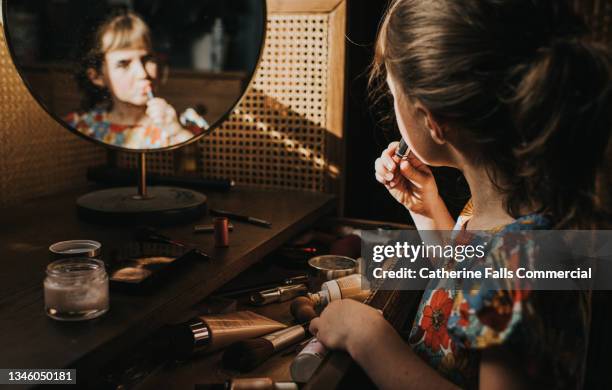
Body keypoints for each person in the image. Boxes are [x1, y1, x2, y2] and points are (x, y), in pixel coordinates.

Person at [309, 1, 611, 389]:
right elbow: (469, 283)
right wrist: (428, 212)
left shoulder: (527, 258)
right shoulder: (510, 207)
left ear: (434, 121)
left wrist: (368, 339)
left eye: (393, 92)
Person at [66, 12, 206, 149]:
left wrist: (177, 132)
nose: (142, 73)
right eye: (124, 64)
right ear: (97, 77)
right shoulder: (81, 128)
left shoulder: (184, 126)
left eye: (147, 59)